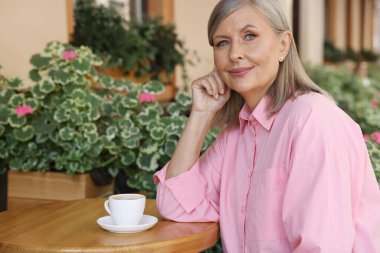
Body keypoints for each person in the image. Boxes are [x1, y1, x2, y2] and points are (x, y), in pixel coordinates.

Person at [153, 0, 380, 252]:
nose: (234, 53)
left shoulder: (313, 121)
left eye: (249, 36)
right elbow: (175, 205)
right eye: (222, 42)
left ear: (283, 45)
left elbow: (322, 247)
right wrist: (200, 114)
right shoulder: (237, 134)